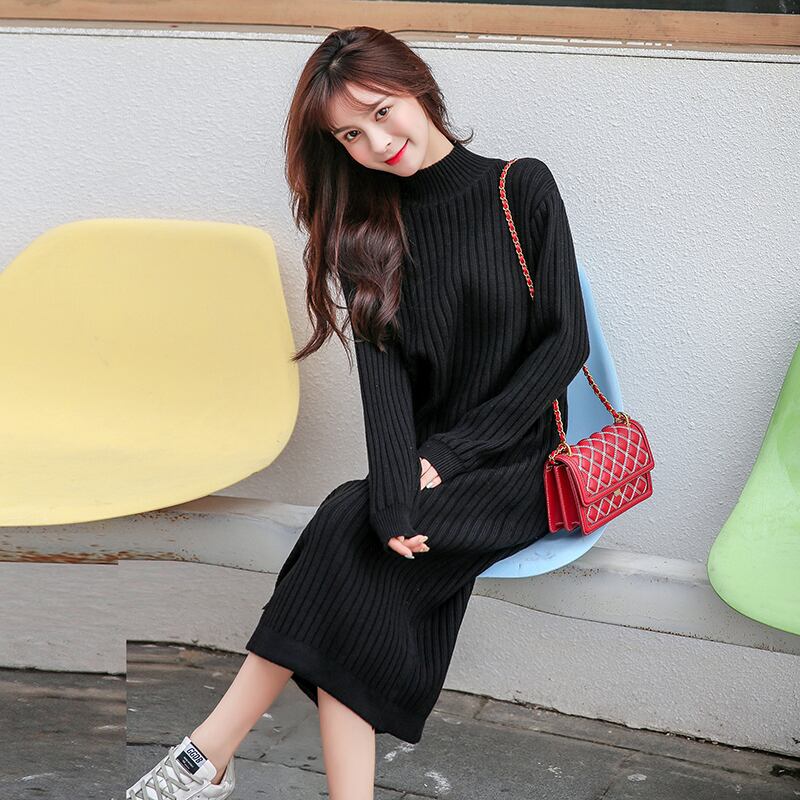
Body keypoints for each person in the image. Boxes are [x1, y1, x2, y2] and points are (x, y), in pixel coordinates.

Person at [126, 24, 590, 800]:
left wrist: (448, 456)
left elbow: (564, 341)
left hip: (521, 459)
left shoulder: (521, 189)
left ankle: (206, 755)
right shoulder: (367, 232)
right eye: (350, 134)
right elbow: (386, 385)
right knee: (360, 528)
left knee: (345, 537)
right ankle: (227, 765)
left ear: (417, 86)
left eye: (381, 112)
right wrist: (395, 492)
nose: (377, 143)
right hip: (430, 461)